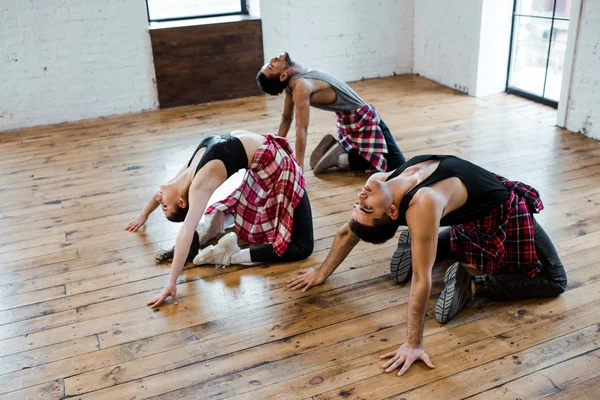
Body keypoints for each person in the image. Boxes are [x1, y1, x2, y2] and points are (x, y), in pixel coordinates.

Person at [286, 154, 566, 376]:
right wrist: (412, 344)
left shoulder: (384, 179)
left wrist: (321, 272)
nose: (360, 197)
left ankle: (422, 241)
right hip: (492, 217)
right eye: (366, 207)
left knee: (429, 235)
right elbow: (421, 279)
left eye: (359, 204)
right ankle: (471, 285)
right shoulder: (420, 202)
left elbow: (349, 232)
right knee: (555, 281)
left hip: (474, 217)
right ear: (394, 212)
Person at [125, 131, 313, 308]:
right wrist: (171, 283)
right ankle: (230, 255)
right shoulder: (198, 184)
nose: (159, 200)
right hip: (279, 170)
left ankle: (212, 227)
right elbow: (185, 232)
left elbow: (161, 193)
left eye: (162, 206)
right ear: (182, 202)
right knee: (303, 247)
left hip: (264, 170)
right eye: (164, 206)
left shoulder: (187, 173)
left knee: (258, 212)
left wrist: (145, 213)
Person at [256, 52, 406, 174]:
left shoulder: (294, 82)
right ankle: (340, 158)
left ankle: (335, 151)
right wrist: (298, 170)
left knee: (380, 161)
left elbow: (286, 118)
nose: (273, 59)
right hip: (362, 121)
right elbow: (299, 127)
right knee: (398, 166)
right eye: (271, 66)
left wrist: (276, 153)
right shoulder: (299, 86)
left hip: (350, 122)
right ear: (282, 76)